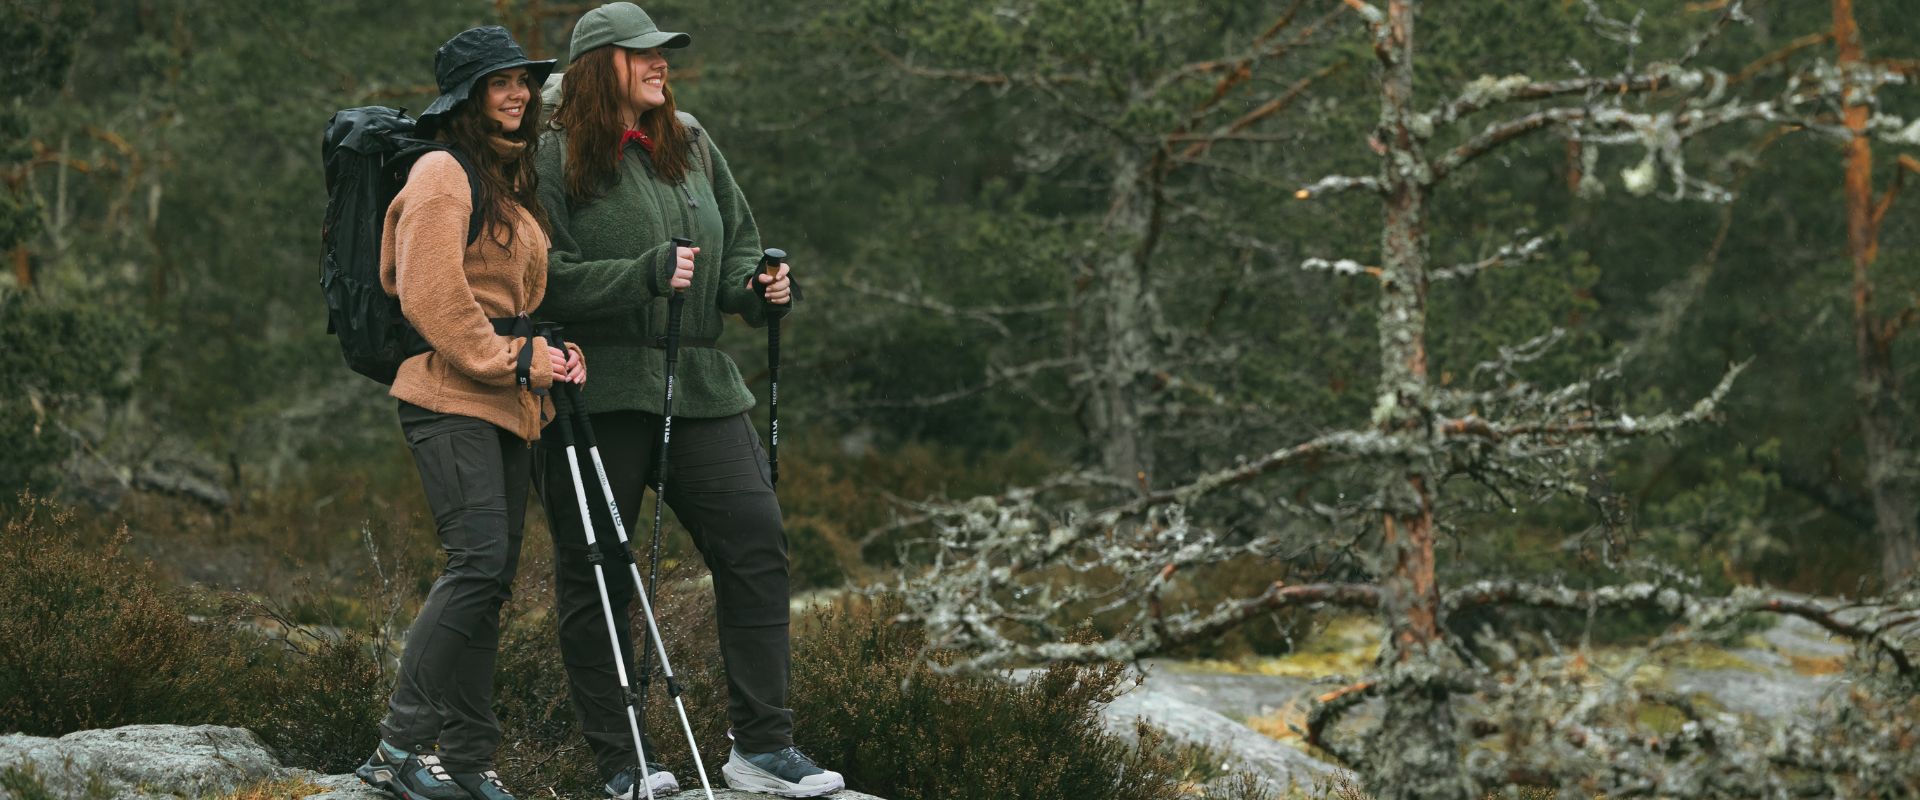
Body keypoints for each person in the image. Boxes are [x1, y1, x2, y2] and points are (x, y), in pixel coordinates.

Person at [530, 3, 844, 798]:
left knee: (757, 543)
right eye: (643, 55)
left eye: (663, 53)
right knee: (598, 572)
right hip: (590, 391)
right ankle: (623, 763)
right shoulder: (549, 152)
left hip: (701, 385)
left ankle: (762, 749)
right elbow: (539, 278)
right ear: (603, 66)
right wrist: (639, 272)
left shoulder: (692, 139)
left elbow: (738, 240)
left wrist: (758, 285)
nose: (660, 64)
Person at [354, 25, 584, 800]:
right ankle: (396, 749)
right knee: (477, 564)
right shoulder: (442, 173)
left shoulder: (506, 181)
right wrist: (513, 359)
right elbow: (431, 296)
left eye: (524, 80)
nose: (519, 93)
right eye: (501, 83)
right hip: (448, 398)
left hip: (509, 402)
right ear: (467, 98)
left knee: (491, 581)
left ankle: (468, 759)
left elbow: (507, 300)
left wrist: (551, 353)